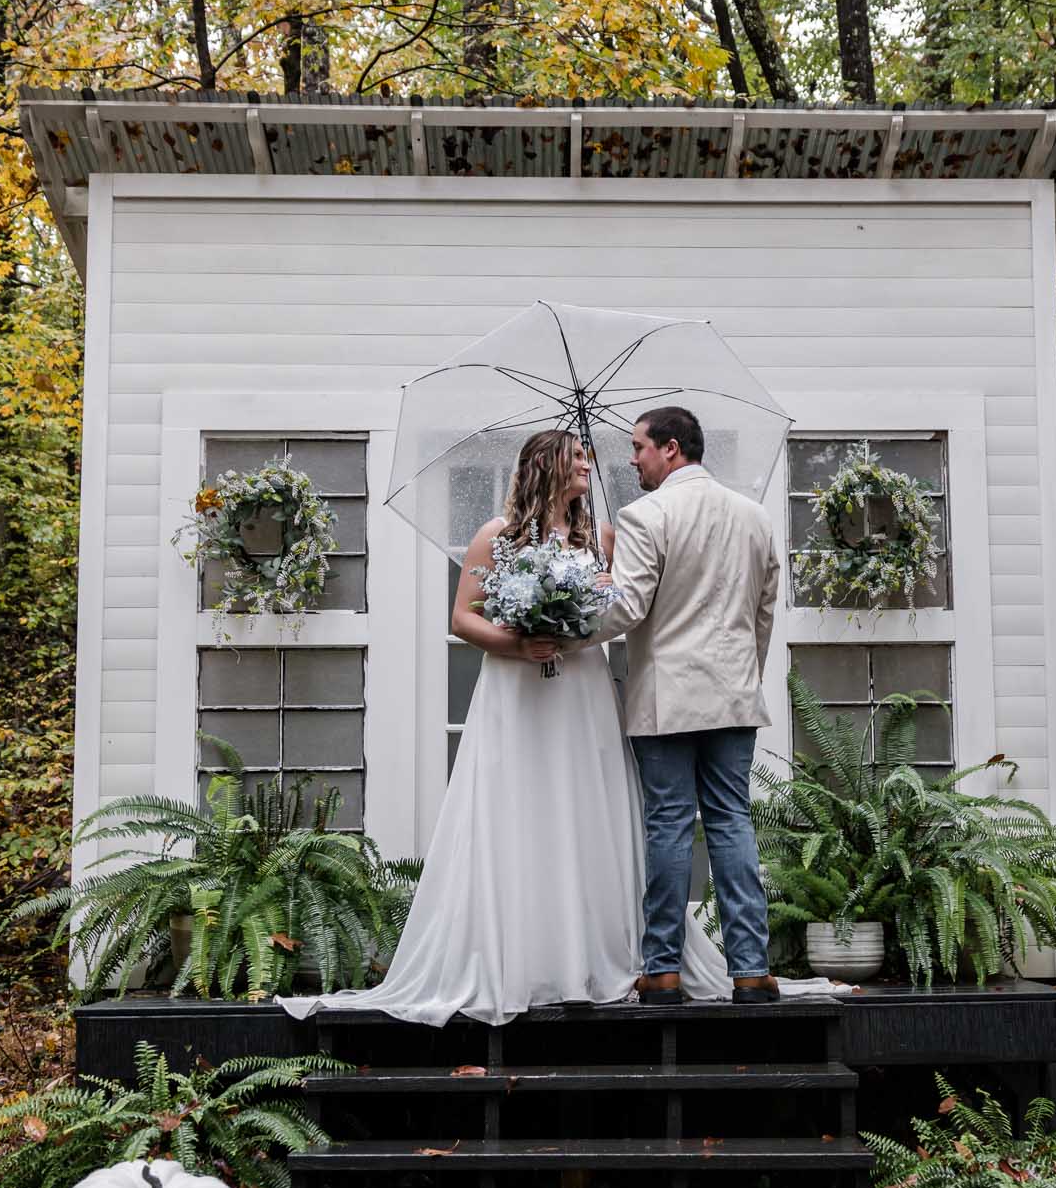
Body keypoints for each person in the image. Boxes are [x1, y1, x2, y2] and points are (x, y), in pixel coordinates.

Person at [278, 426, 783, 1026]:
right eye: (578, 459)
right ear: (545, 465)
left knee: (601, 813)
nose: (590, 469)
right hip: (520, 687)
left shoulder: (607, 535)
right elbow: (464, 618)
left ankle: (632, 959)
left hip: (583, 689)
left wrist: (570, 625)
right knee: (537, 810)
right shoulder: (496, 536)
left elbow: (623, 606)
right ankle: (724, 965)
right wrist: (520, 644)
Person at [584, 406, 783, 1005]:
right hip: (733, 694)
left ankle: (663, 970)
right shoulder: (754, 515)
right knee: (731, 821)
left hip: (666, 699)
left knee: (668, 825)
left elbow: (628, 609)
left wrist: (572, 621)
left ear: (671, 449)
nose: (633, 459)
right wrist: (744, 675)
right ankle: (750, 970)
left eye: (639, 448)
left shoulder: (646, 515)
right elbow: (764, 612)